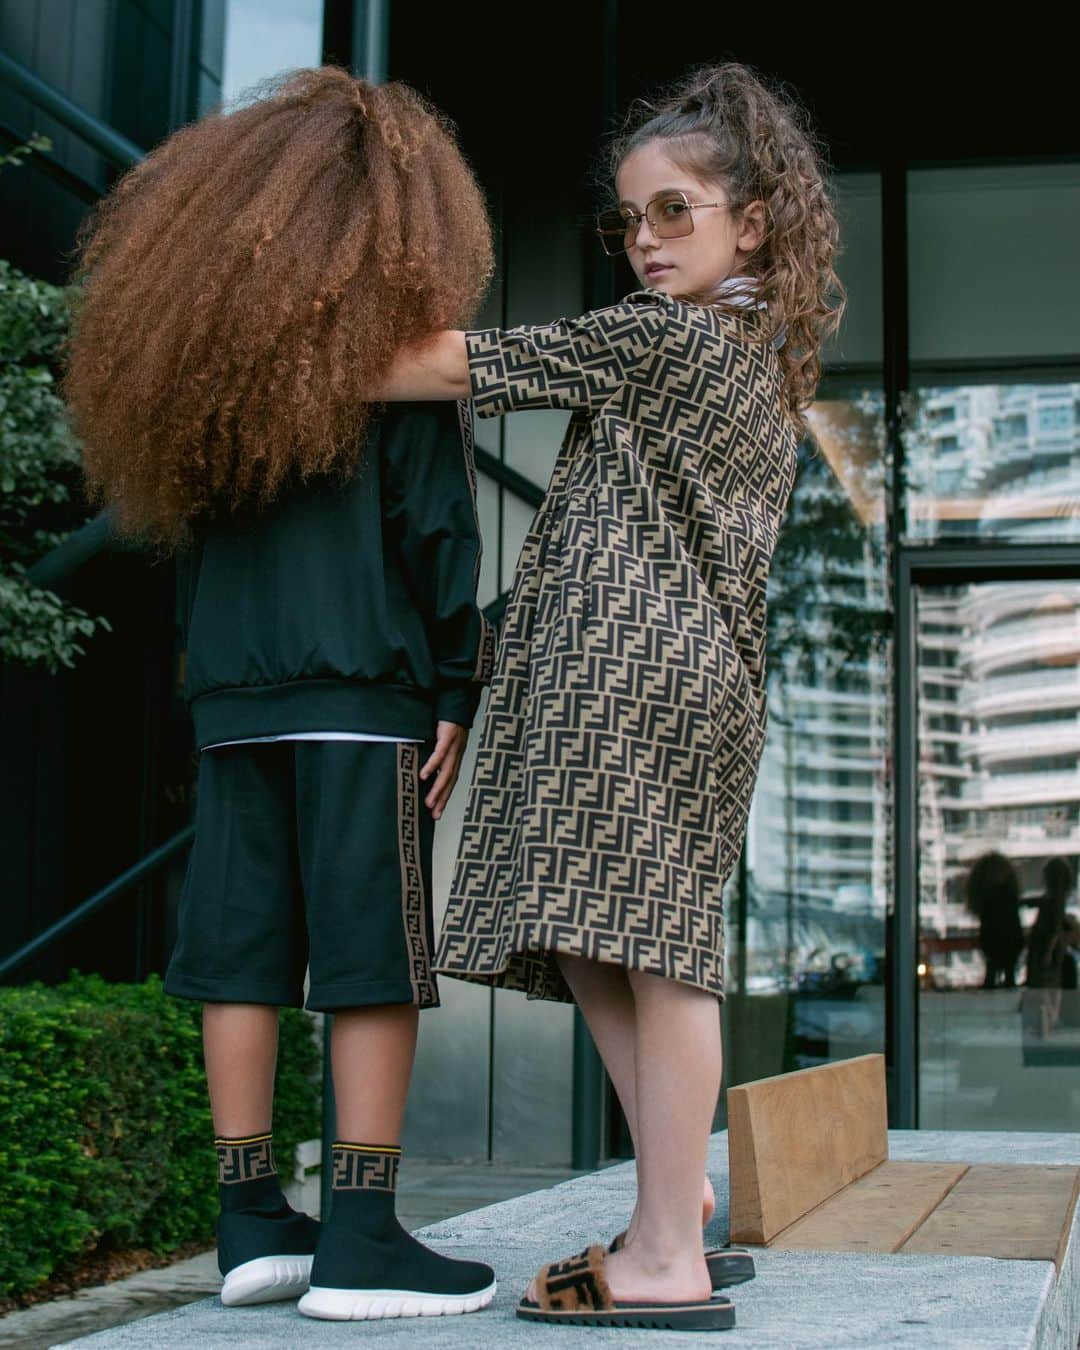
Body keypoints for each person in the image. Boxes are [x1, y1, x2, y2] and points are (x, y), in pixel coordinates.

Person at [376, 62, 844, 1331]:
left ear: (752, 221)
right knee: (594, 932)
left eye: (675, 211)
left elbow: (444, 364)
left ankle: (661, 1255)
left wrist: (276, 327)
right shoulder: (753, 354)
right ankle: (670, 1196)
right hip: (659, 674)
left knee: (653, 951)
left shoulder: (667, 337)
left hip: (629, 673)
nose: (644, 241)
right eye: (630, 219)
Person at [64, 67, 498, 1321]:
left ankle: (251, 1218)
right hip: (365, 697)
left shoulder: (200, 373)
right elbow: (435, 538)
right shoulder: (397, 362)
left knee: (240, 955)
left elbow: (185, 555)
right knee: (372, 960)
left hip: (234, 704)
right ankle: (362, 1233)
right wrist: (459, 680)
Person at [965, 851, 1023, 988]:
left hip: (992, 941)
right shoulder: (1009, 894)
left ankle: (991, 984)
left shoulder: (986, 899)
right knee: (1009, 974)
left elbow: (986, 926)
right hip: (1010, 940)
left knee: (992, 969)